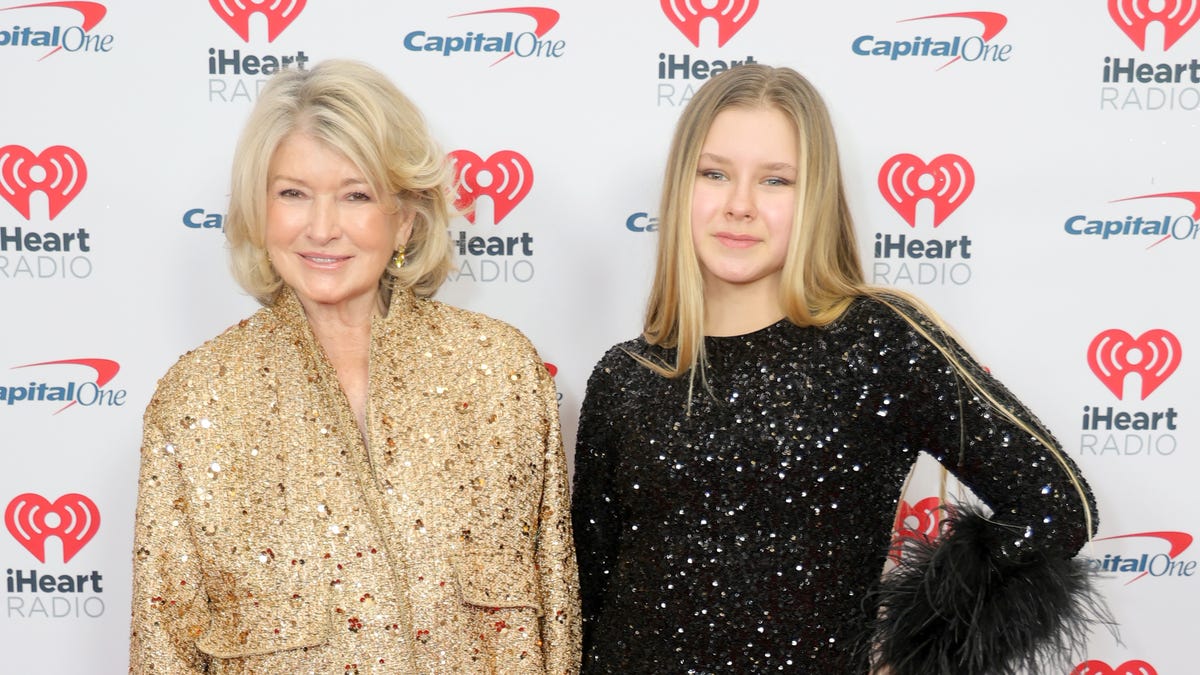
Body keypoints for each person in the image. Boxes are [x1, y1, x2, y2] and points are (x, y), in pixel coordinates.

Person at [571, 64, 1106, 675]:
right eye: (714, 173)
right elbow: (588, 591)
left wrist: (915, 648)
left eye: (776, 180)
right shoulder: (625, 375)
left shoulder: (874, 340)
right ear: (679, 188)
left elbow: (1058, 505)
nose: (739, 206)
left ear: (816, 197)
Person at [129, 60, 580, 674]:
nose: (321, 227)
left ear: (405, 216)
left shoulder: (502, 371)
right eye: (292, 193)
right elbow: (165, 644)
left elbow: (554, 608)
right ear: (260, 213)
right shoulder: (197, 400)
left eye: (356, 195)